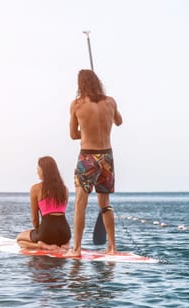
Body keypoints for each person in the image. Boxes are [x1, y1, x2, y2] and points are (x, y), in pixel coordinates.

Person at [65, 69, 123, 257]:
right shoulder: (111, 102)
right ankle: (112, 248)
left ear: (80, 85)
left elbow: (73, 134)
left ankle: (76, 249)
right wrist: (103, 126)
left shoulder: (76, 105)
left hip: (88, 157)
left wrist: (87, 131)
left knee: (80, 203)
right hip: (107, 157)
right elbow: (119, 122)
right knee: (105, 204)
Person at [17, 156, 71, 251]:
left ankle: (43, 246)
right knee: (59, 237)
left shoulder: (36, 189)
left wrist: (39, 234)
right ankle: (65, 245)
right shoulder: (64, 189)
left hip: (47, 231)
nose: (37, 172)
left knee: (19, 239)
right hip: (65, 232)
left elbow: (35, 218)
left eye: (39, 169)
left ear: (44, 171)